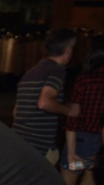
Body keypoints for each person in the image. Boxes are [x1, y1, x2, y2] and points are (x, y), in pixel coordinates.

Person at [13, 28, 80, 165]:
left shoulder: (31, 72)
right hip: (40, 147)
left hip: (18, 142)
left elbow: (16, 112)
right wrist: (69, 111)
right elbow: (44, 102)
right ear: (68, 49)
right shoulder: (57, 71)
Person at [59, 46, 104, 185]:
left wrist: (71, 152)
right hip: (101, 145)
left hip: (79, 142)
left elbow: (72, 119)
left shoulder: (84, 81)